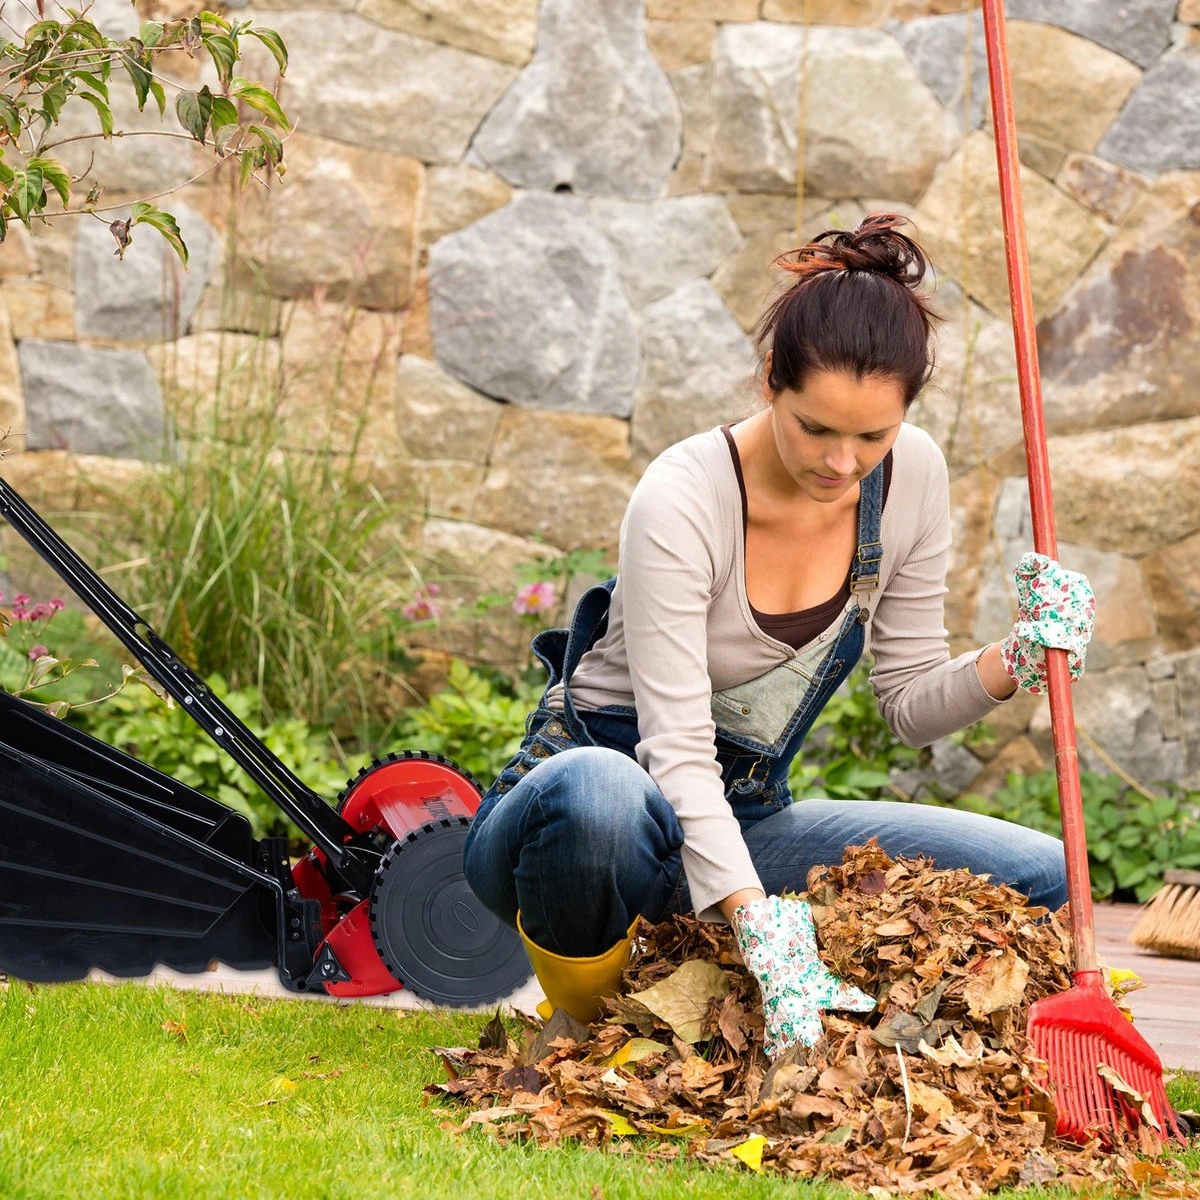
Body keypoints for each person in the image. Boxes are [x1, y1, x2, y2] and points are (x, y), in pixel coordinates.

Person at [462, 213, 1096, 1059]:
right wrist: (763, 925)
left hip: (740, 819)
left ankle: (854, 1037)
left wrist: (1017, 658)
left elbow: (908, 704)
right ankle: (587, 1031)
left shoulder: (913, 479)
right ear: (771, 382)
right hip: (586, 822)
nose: (842, 464)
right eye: (817, 429)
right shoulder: (683, 499)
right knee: (599, 796)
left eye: (872, 435)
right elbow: (676, 753)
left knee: (1046, 874)